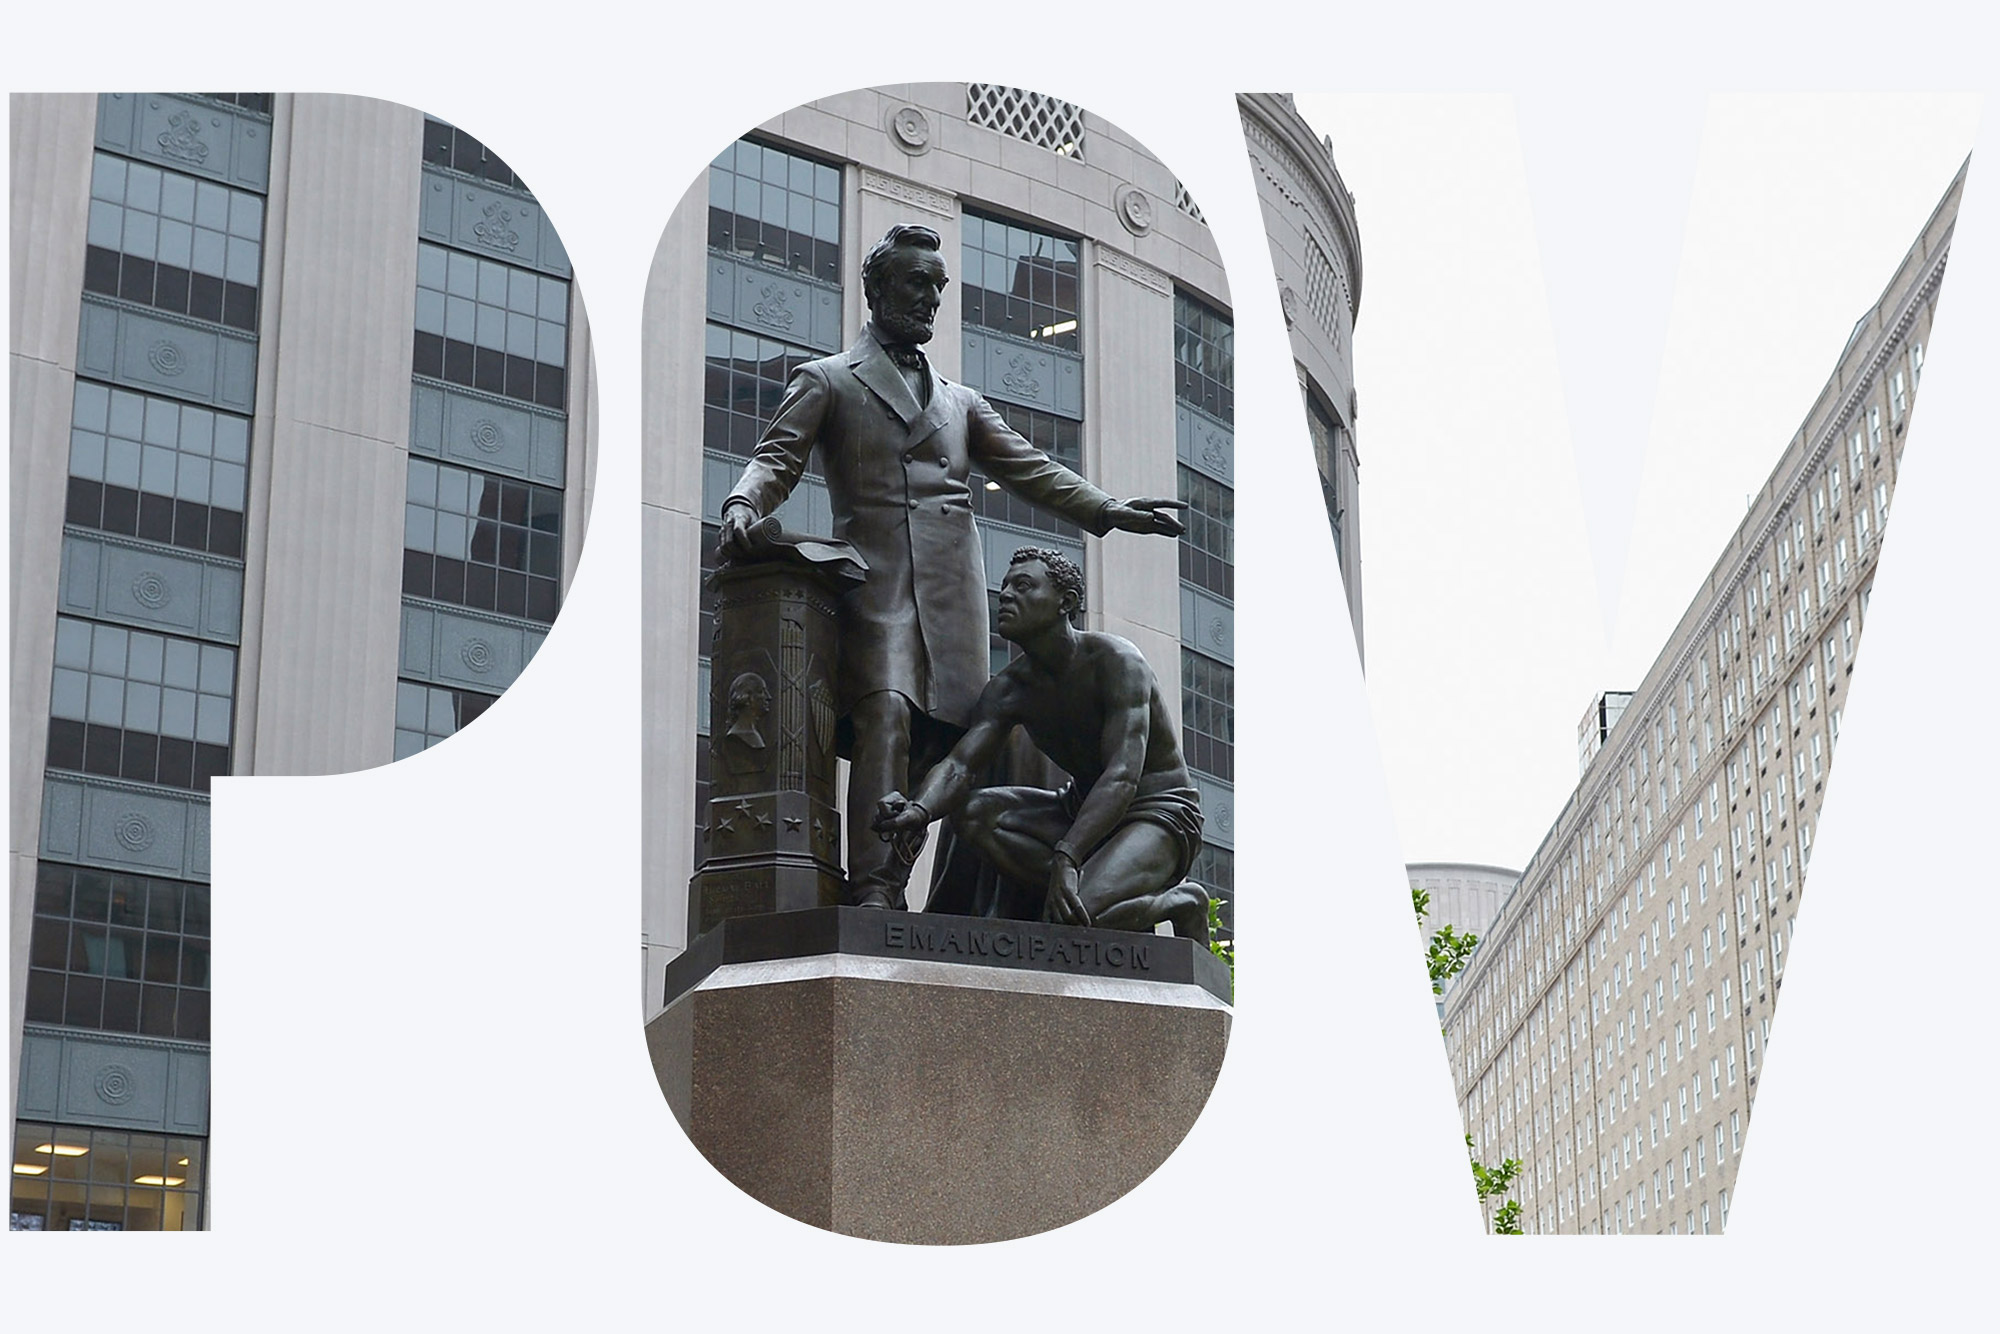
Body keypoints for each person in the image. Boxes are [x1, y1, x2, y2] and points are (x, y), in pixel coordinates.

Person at [719, 223, 1183, 909]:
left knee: (957, 745)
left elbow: (1032, 469)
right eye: (916, 283)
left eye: (938, 287)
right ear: (876, 287)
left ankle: (963, 899)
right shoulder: (827, 380)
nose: (930, 299)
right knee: (888, 715)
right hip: (877, 588)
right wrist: (741, 502)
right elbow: (775, 457)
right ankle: (875, 890)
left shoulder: (960, 401)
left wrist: (1107, 510)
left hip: (954, 598)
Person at [872, 548, 1209, 941]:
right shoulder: (1009, 689)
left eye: (1024, 586)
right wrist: (918, 809)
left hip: (1157, 814)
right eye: (1005, 587)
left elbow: (1121, 776)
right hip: (1078, 811)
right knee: (973, 813)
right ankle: (1086, 887)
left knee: (1073, 921)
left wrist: (1068, 855)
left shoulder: (1117, 662)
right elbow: (960, 767)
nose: (1006, 595)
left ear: (1065, 603)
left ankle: (1181, 902)